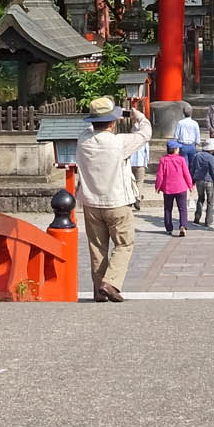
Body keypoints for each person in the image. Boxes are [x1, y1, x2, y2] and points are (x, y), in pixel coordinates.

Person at [76, 94, 152, 302]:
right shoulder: (119, 143)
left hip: (91, 202)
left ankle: (98, 290)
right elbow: (145, 133)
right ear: (112, 122)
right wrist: (138, 117)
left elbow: (91, 129)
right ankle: (109, 282)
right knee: (124, 243)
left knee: (97, 247)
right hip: (117, 201)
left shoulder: (83, 140)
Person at [154, 140, 194, 236]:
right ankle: (183, 226)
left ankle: (169, 228)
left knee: (168, 209)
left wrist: (158, 186)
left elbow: (160, 175)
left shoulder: (163, 160)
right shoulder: (181, 160)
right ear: (175, 150)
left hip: (168, 188)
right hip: (181, 187)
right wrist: (190, 185)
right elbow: (186, 173)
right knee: (182, 208)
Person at [190, 137, 214, 227]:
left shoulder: (196, 155)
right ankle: (208, 221)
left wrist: (192, 181)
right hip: (209, 180)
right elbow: (213, 171)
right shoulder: (211, 158)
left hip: (198, 180)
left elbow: (192, 169)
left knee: (200, 198)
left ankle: (197, 218)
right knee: (210, 201)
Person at [129, 137, 149, 210]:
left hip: (130, 163)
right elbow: (147, 153)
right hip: (140, 163)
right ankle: (137, 197)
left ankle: (131, 198)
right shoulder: (144, 141)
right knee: (139, 182)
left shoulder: (130, 139)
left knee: (131, 182)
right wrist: (146, 164)